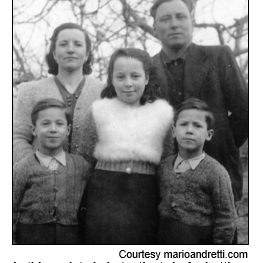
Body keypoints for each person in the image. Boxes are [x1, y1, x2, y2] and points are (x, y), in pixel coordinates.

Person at [150, 0, 248, 204]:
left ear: (192, 23)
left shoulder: (219, 56)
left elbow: (246, 111)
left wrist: (222, 141)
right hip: (164, 180)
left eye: (181, 17)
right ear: (155, 28)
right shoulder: (146, 69)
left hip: (217, 170)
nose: (174, 24)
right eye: (165, 19)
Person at [78, 48, 174, 244]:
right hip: (103, 197)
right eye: (120, 76)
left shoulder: (162, 114)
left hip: (145, 197)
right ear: (112, 79)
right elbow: (84, 159)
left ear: (147, 78)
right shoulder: (98, 111)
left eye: (135, 76)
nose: (128, 83)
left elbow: (167, 161)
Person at [13, 22, 103, 164]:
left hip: (94, 182)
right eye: (63, 44)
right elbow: (17, 137)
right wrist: (35, 168)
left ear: (86, 55)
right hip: (40, 182)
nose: (70, 50)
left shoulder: (104, 92)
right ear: (54, 54)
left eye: (78, 44)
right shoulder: (29, 91)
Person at [157, 98, 237, 245]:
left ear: (209, 134)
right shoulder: (164, 166)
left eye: (197, 126)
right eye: (183, 124)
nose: (189, 130)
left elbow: (226, 220)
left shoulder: (216, 172)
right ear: (174, 131)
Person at [13, 99, 91, 244]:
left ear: (67, 130)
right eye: (45, 123)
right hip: (31, 240)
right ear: (34, 130)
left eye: (59, 124)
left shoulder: (81, 166)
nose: (53, 129)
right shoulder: (22, 168)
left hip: (71, 241)